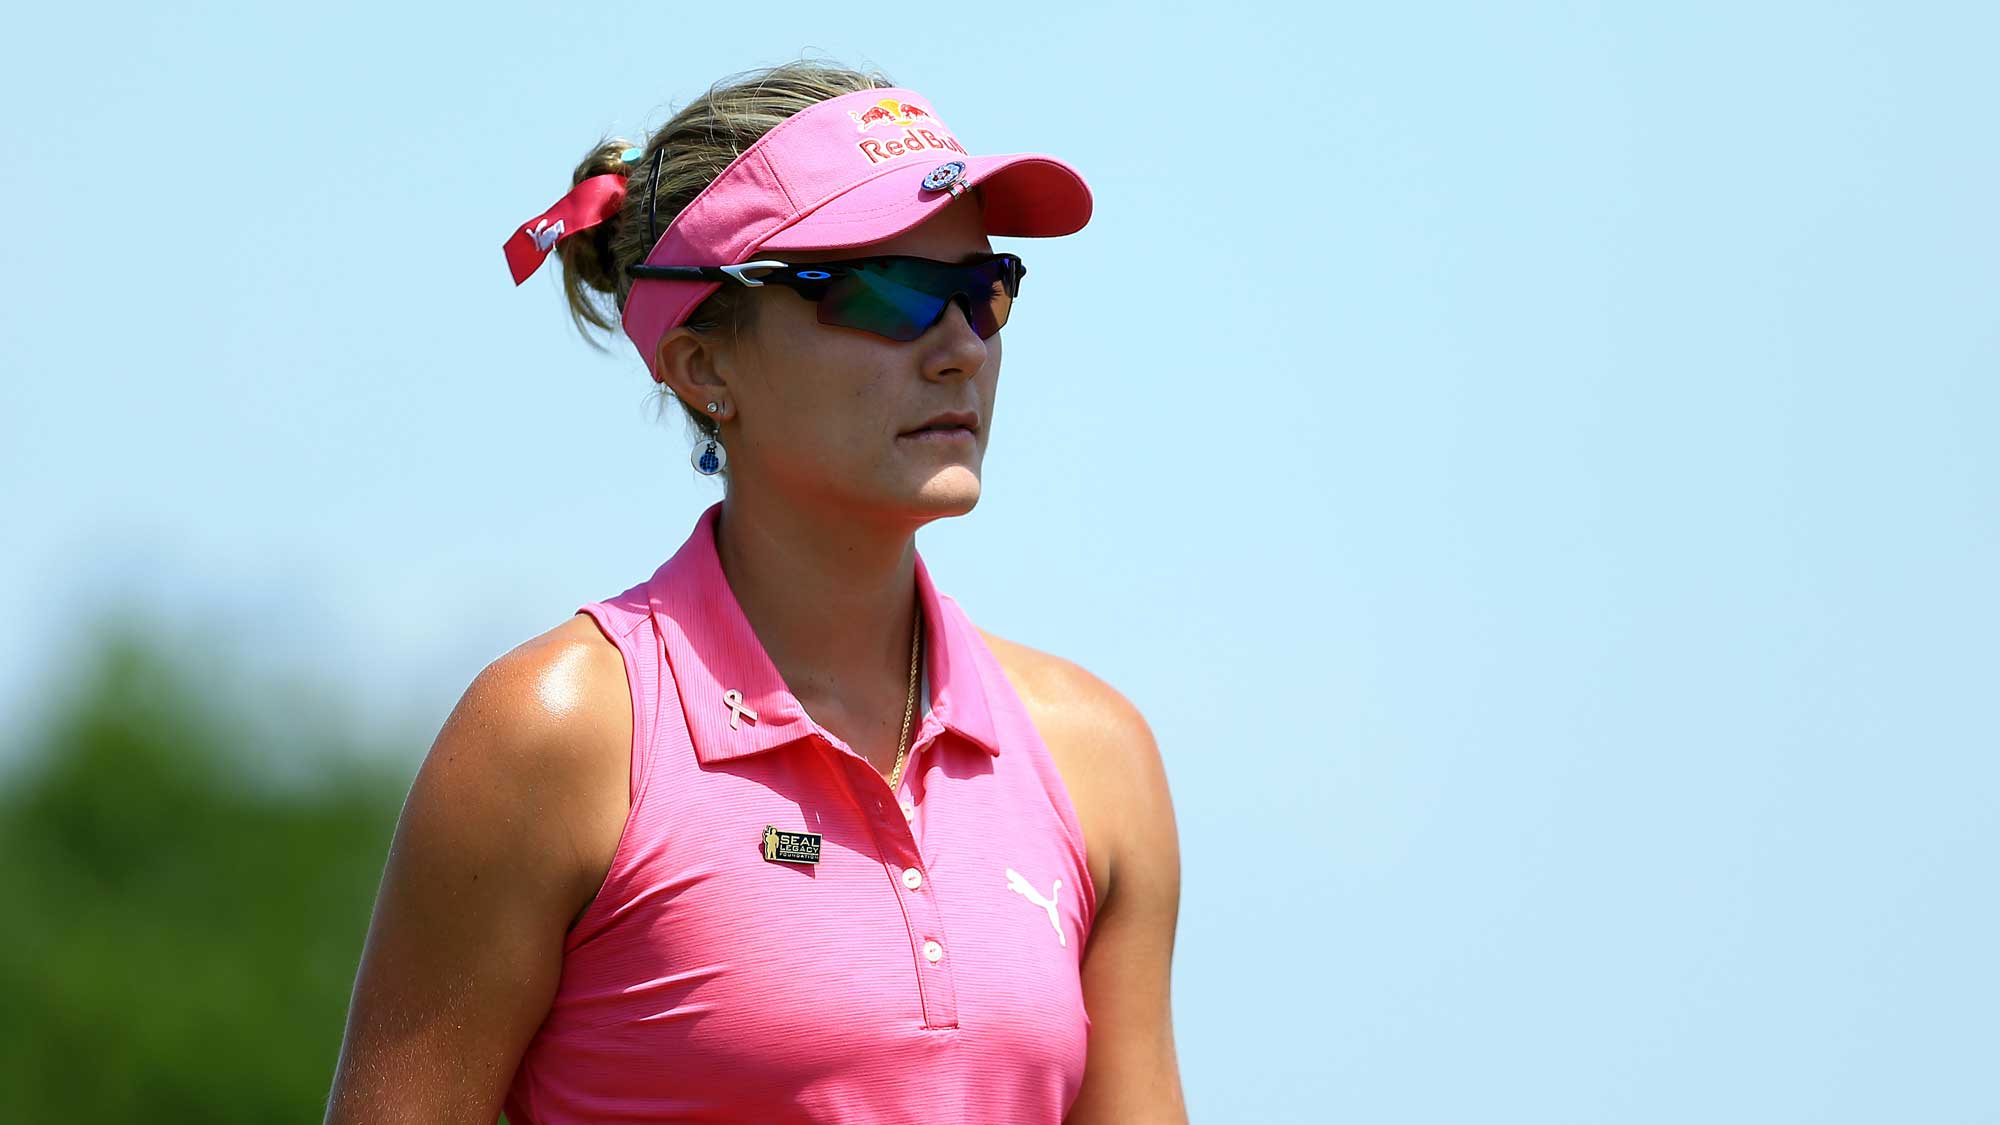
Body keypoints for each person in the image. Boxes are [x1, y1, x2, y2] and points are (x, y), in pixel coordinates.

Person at [324, 61, 1184, 1124]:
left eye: (983, 290)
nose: (962, 347)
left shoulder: (1096, 759)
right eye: (888, 292)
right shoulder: (557, 735)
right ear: (699, 366)